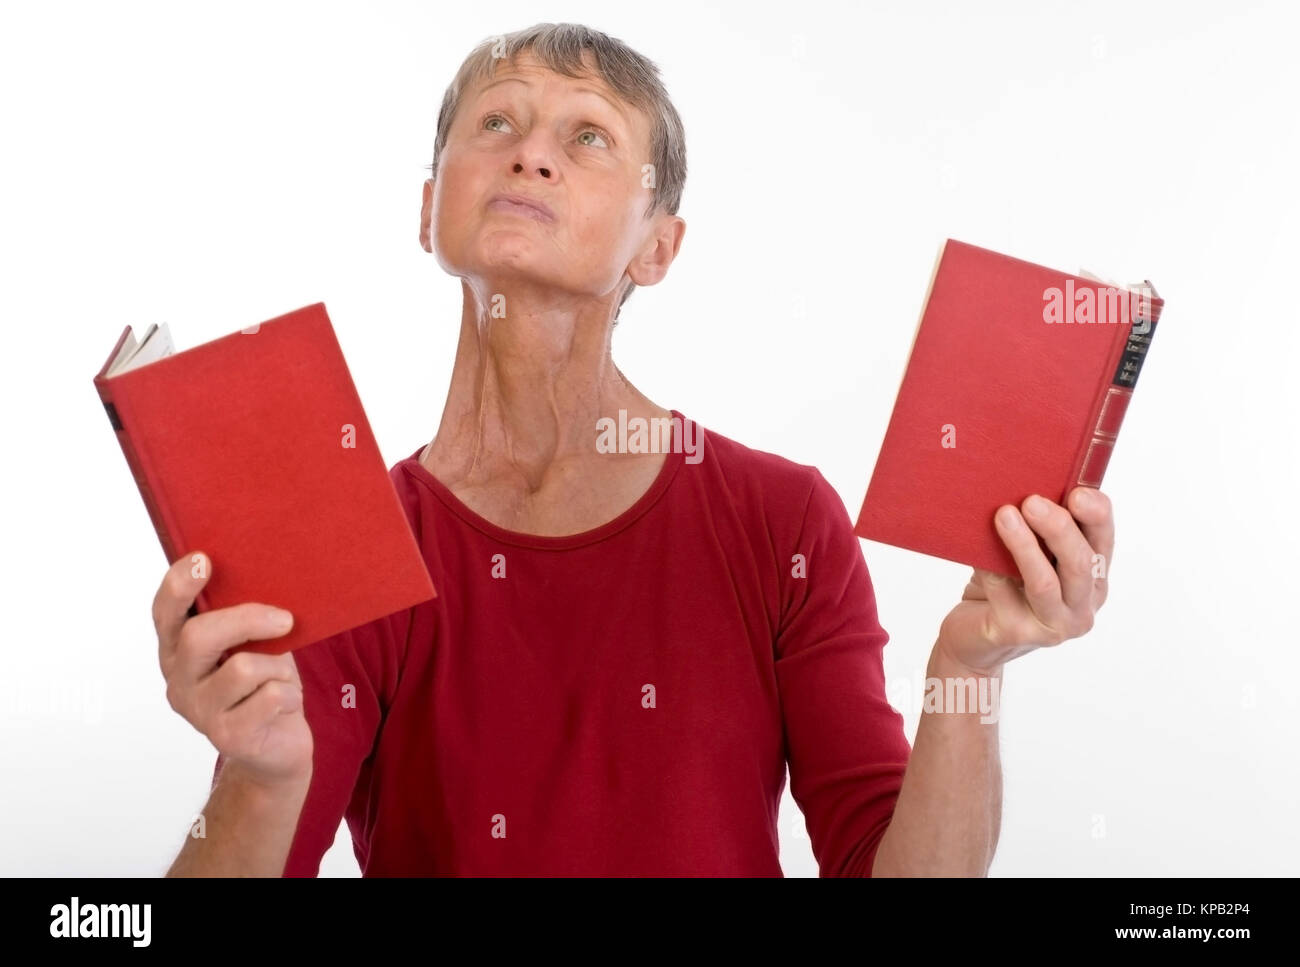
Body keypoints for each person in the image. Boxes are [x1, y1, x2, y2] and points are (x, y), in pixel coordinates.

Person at [153, 22, 1114, 877]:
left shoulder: (781, 519)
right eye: (496, 124)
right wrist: (264, 772)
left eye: (587, 136)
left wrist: (968, 666)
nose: (531, 154)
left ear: (658, 248)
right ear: (428, 208)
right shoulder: (356, 543)